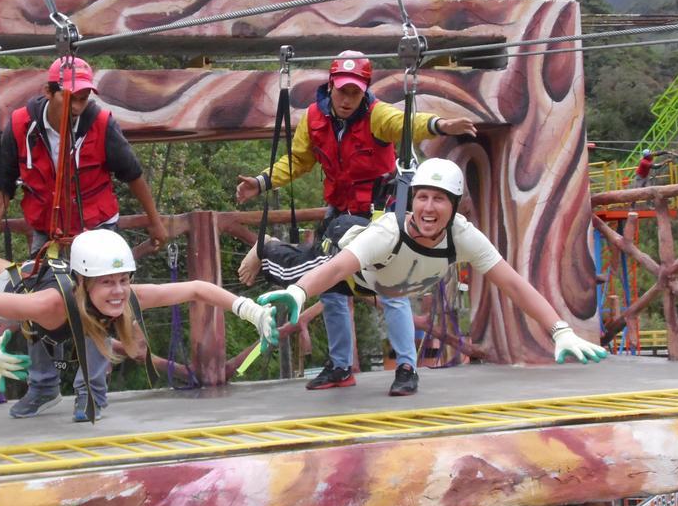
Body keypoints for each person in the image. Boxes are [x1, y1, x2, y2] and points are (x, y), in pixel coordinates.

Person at [235, 51, 478, 396]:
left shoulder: (377, 115)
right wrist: (261, 182)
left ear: (365, 91)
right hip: (338, 213)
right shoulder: (314, 118)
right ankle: (340, 367)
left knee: (389, 285)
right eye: (342, 91)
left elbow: (405, 122)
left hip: (378, 212)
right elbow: (299, 161)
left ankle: (406, 366)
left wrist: (440, 126)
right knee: (332, 288)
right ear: (331, 86)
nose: (348, 99)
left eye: (355, 92)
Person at [0, 56, 169, 419]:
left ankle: (91, 393)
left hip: (96, 230)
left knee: (95, 310)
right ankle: (43, 385)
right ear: (50, 93)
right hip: (48, 232)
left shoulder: (99, 123)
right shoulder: (20, 127)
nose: (79, 105)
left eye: (84, 97)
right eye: (72, 98)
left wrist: (155, 223)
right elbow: (3, 183)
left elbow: (134, 174)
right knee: (36, 302)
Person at [249, 158, 608, 374]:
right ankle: (266, 246)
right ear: (411, 199)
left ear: (454, 206)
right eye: (422, 197)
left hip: (388, 282)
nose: (428, 208)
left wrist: (560, 330)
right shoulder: (390, 231)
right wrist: (298, 292)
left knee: (336, 267)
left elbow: (514, 284)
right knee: (292, 267)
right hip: (352, 274)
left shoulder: (463, 236)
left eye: (439, 199)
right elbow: (337, 268)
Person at [0, 229, 278, 422]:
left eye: (124, 280)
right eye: (108, 282)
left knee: (19, 269)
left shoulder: (125, 298)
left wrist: (249, 310)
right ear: (84, 284)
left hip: (41, 278)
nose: (118, 291)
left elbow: (196, 288)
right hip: (22, 293)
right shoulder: (51, 304)